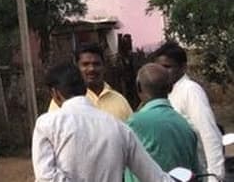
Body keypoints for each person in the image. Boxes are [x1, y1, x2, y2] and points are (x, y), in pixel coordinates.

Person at [32, 62, 172, 181]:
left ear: (55, 93)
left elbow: (45, 178)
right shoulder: (119, 127)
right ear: (84, 88)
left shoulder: (47, 124)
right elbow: (155, 177)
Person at [151, 41, 225, 180]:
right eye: (158, 67)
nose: (162, 72)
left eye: (167, 67)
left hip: (196, 172)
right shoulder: (163, 93)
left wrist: (215, 176)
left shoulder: (190, 90)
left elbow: (209, 134)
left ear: (183, 68)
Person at [124, 63, 198, 182]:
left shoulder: (134, 123)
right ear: (170, 88)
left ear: (138, 87)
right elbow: (196, 172)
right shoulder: (185, 124)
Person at [48, 43, 133, 121]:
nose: (91, 69)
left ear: (104, 66)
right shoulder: (63, 99)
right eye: (85, 64)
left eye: (96, 64)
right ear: (76, 67)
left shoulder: (120, 101)